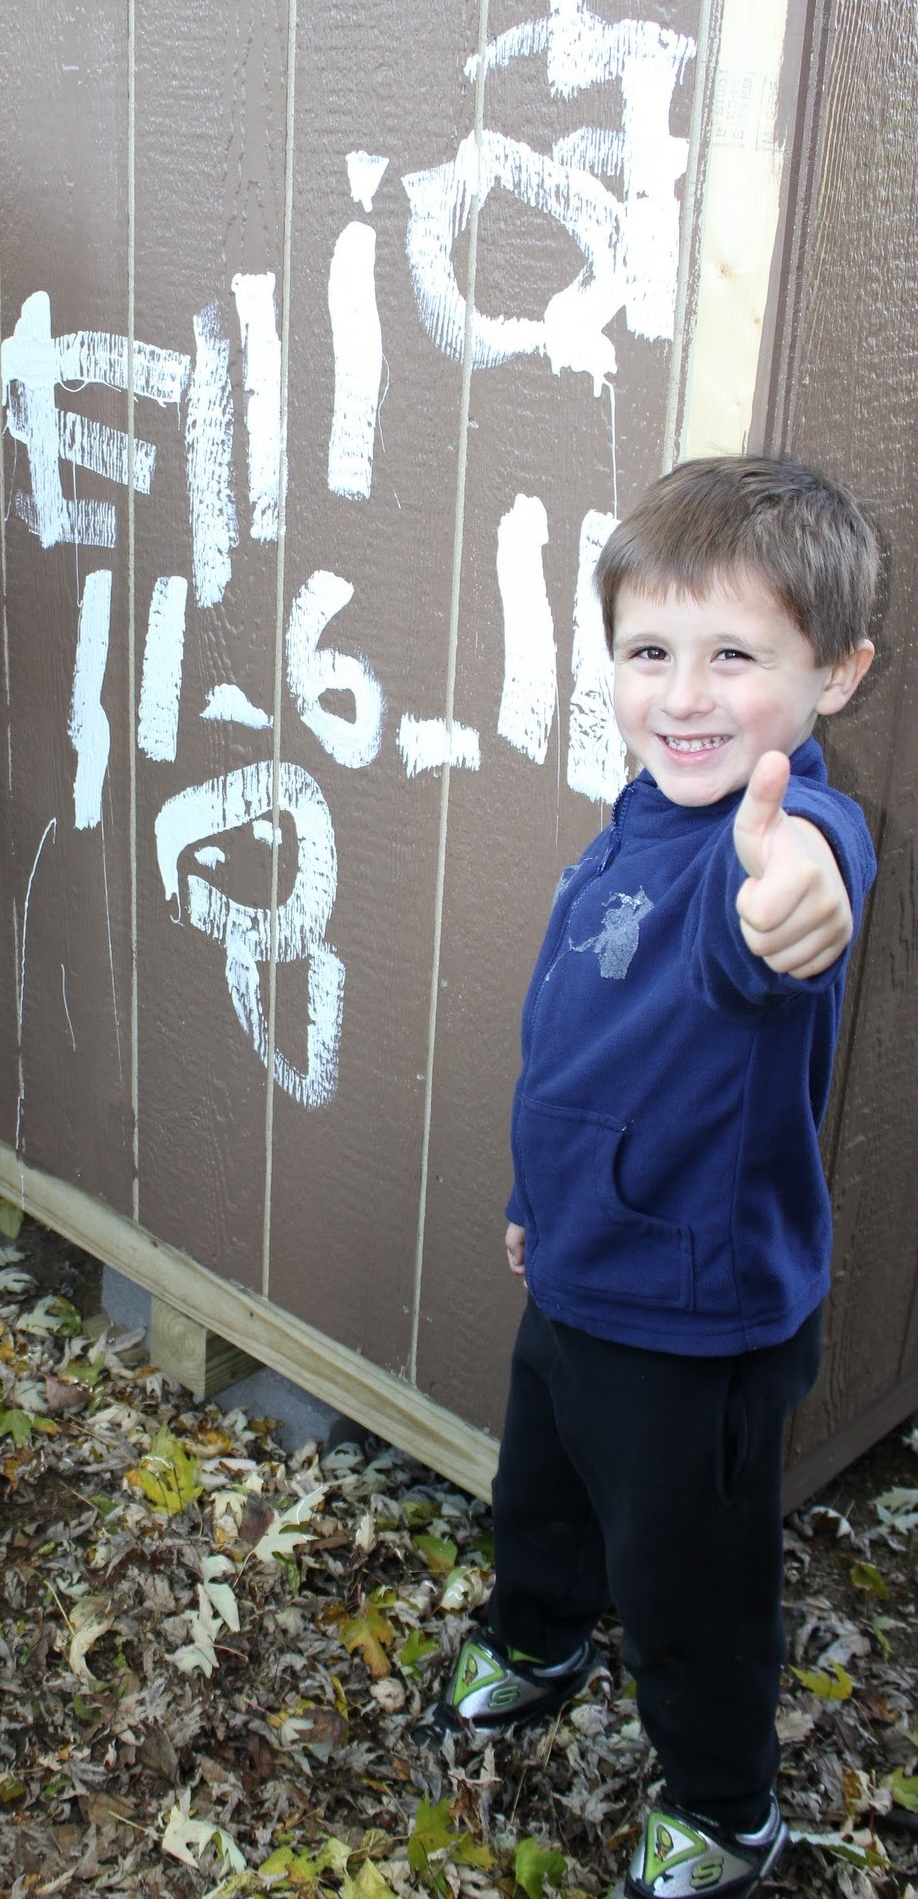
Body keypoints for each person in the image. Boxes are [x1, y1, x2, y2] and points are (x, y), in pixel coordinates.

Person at [417, 456, 879, 1899]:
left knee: (691, 1581)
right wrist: (532, 1203)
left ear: (835, 676)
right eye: (647, 653)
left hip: (697, 1324)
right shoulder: (638, 812)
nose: (683, 695)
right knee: (539, 1485)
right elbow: (585, 1049)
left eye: (735, 655)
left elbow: (788, 904)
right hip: (576, 1267)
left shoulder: (784, 837)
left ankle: (727, 1808)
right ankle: (542, 1631)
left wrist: (794, 893)